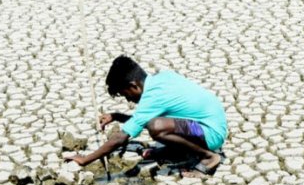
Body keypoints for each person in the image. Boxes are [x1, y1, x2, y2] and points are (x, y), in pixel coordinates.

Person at [66, 55, 227, 177]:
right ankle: (178, 151)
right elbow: (143, 120)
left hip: (210, 133)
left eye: (125, 94)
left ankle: (209, 157)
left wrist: (85, 159)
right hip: (206, 125)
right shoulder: (163, 78)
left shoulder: (152, 98)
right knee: (156, 124)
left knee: (157, 127)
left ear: (133, 86)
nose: (128, 99)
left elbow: (120, 138)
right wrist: (116, 116)